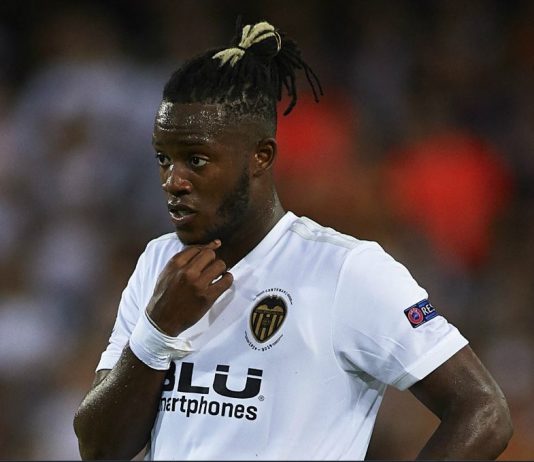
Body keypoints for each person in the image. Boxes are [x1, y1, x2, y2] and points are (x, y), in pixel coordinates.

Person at [73, 18, 512, 460]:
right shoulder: (158, 263)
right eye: (163, 159)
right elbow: (99, 448)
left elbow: (483, 411)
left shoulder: (346, 270)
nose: (174, 181)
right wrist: (156, 331)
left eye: (197, 160)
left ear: (261, 157)